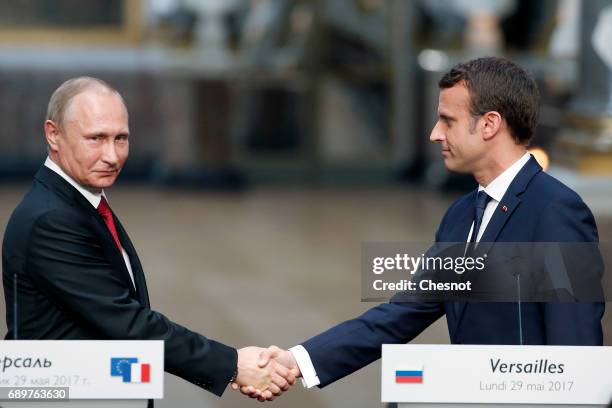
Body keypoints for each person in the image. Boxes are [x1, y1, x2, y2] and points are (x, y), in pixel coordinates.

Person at [238, 56, 605, 397]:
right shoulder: (461, 215)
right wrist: (297, 361)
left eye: (448, 120)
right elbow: (400, 315)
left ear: (490, 124)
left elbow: (576, 351)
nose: (435, 133)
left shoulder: (556, 211)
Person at [1, 77, 296, 403]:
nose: (112, 155)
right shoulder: (52, 219)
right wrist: (232, 364)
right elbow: (129, 323)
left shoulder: (80, 200)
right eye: (96, 139)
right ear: (53, 135)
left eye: (121, 139)